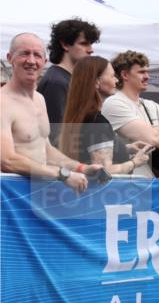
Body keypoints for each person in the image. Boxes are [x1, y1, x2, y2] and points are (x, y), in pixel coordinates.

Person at [1, 33, 102, 193]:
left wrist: (81, 167)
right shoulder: (3, 102)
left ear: (45, 62)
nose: (31, 61)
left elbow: (46, 150)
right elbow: (7, 160)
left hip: (37, 197)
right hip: (12, 201)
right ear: (10, 57)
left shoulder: (40, 99)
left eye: (37, 55)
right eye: (24, 53)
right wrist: (62, 175)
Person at [58, 55, 151, 175]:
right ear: (97, 82)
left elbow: (89, 149)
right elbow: (104, 171)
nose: (116, 80)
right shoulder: (97, 121)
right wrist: (135, 162)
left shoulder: (83, 117)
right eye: (112, 76)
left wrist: (127, 148)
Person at [102, 50, 159, 177]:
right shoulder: (114, 103)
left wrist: (158, 130)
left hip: (154, 182)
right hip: (130, 183)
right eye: (141, 72)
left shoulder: (151, 105)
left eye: (147, 71)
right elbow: (155, 140)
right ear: (125, 75)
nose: (147, 76)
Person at [38, 17, 101, 143]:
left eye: (91, 44)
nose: (90, 49)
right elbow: (56, 136)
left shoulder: (67, 79)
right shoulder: (56, 82)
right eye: (84, 43)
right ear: (65, 44)